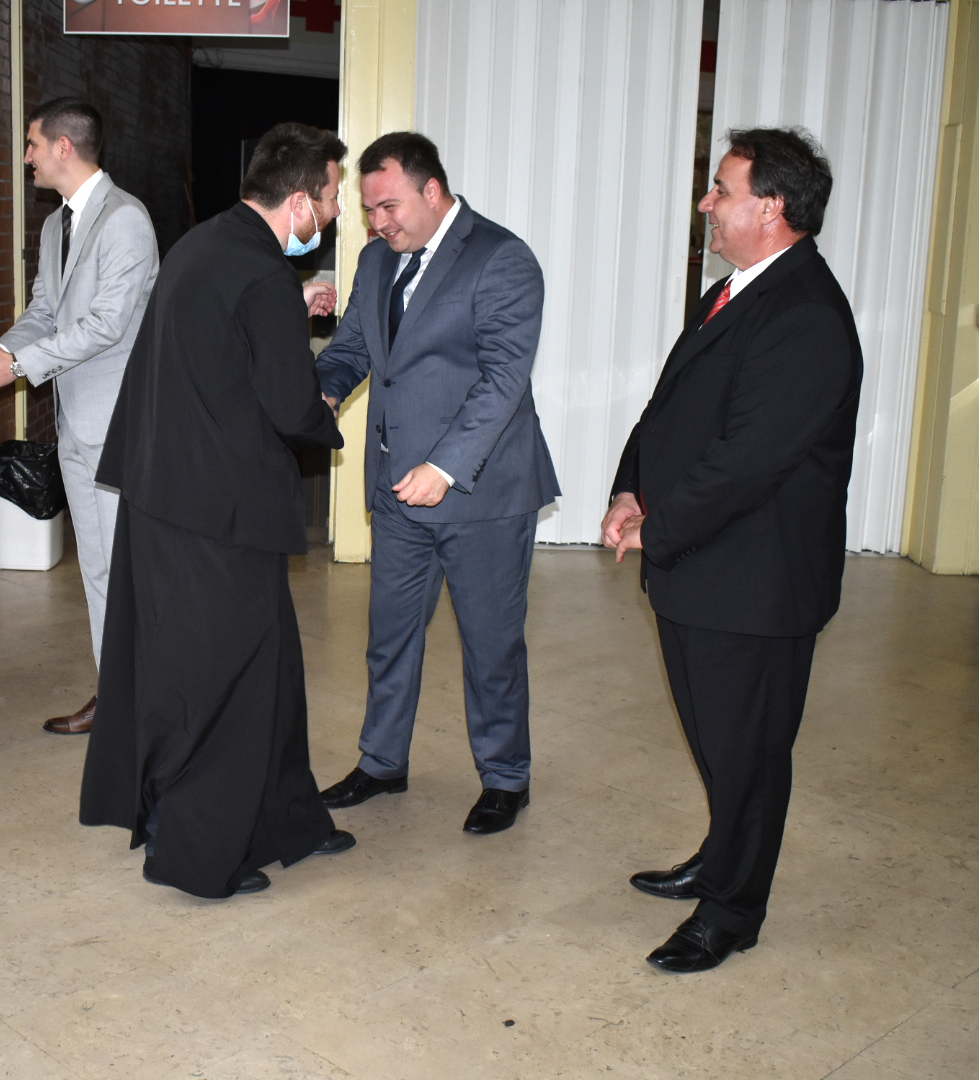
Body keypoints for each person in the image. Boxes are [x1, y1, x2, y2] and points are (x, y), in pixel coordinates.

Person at [602, 127, 862, 974]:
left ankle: (732, 911)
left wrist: (660, 527)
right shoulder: (732, 290)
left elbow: (749, 460)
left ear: (772, 207)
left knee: (748, 756)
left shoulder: (806, 316)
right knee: (719, 743)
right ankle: (722, 860)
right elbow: (669, 407)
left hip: (754, 585)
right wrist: (630, 489)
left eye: (722, 189)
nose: (706, 203)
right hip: (701, 571)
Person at [78, 122, 351, 898]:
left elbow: (218, 347)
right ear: (298, 202)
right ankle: (194, 854)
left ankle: (287, 820)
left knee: (266, 670)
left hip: (167, 494)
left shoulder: (210, 243)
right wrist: (326, 403)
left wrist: (290, 308)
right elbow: (290, 405)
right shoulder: (261, 274)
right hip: (215, 513)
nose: (335, 213)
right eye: (332, 198)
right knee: (216, 681)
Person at [314, 132, 559, 836]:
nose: (378, 223)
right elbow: (354, 349)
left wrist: (446, 466)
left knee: (490, 645)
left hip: (481, 493)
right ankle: (382, 761)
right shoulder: (375, 259)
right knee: (389, 637)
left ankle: (506, 776)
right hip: (398, 489)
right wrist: (321, 392)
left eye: (389, 207)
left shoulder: (502, 258)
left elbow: (503, 379)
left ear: (432, 190)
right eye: (369, 210)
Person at [0, 98, 158, 736]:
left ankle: (149, 703)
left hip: (119, 424)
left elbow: (106, 325)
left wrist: (17, 367)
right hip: (75, 423)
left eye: (32, 145)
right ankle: (117, 695)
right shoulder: (54, 226)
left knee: (128, 570)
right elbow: (45, 311)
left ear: (64, 147)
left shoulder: (126, 220)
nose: (27, 158)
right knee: (95, 567)